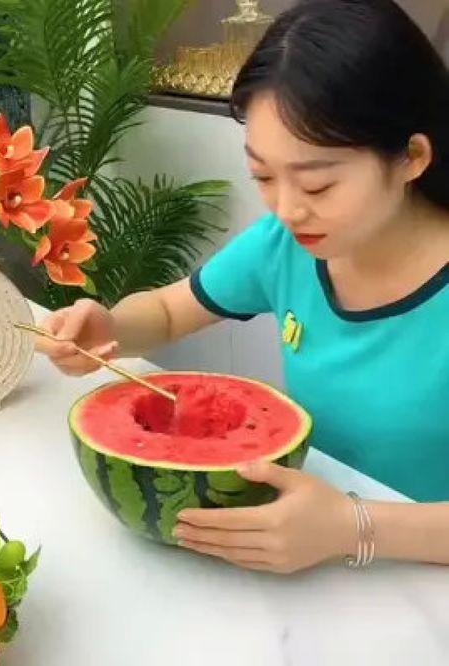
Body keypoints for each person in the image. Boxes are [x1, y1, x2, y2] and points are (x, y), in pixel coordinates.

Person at [37, 0, 449, 573]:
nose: (286, 208)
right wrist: (109, 326)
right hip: (315, 561)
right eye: (262, 175)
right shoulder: (286, 245)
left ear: (411, 157)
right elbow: (169, 311)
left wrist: (351, 527)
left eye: (318, 185)